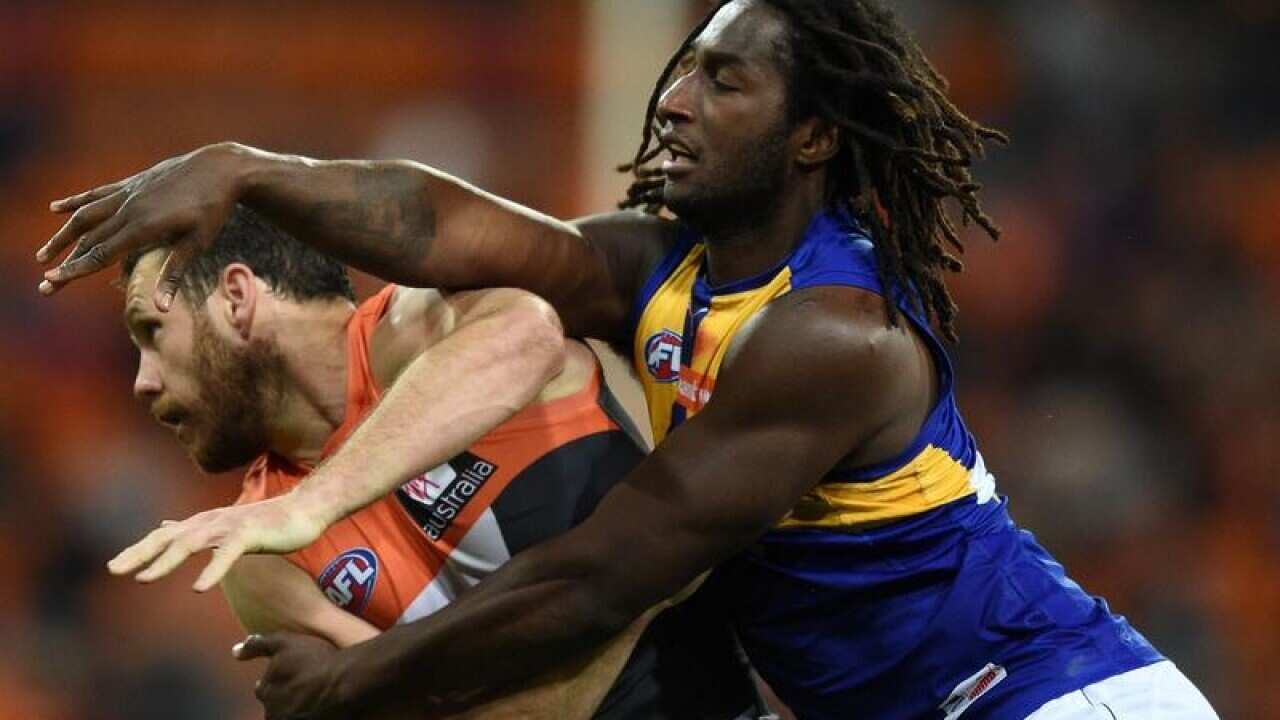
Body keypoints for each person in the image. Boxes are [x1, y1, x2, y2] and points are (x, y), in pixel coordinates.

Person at [39, 1, 1219, 718]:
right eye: (682, 68)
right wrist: (249, 168)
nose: (673, 101)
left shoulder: (832, 336)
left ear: (811, 135)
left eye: (723, 80)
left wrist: (358, 683)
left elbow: (602, 577)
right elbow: (440, 227)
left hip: (1048, 694)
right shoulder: (657, 269)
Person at [114, 205, 758, 719]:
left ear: (236, 296)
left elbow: (530, 334)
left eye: (152, 331)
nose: (143, 381)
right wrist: (644, 582)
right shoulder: (258, 562)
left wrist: (313, 502)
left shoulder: (426, 321)